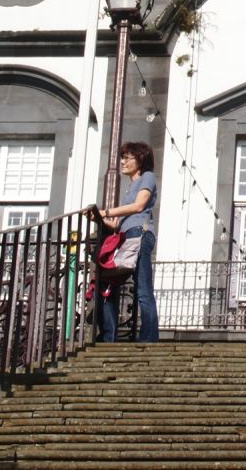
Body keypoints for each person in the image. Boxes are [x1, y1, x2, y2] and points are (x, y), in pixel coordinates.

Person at [96, 141, 158, 343]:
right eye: (122, 157)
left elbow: (139, 206)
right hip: (125, 236)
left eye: (127, 158)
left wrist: (106, 212)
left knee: (143, 289)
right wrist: (96, 216)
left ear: (139, 160)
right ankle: (108, 336)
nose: (122, 161)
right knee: (107, 285)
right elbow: (115, 224)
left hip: (139, 234)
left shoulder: (147, 177)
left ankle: (149, 338)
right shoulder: (129, 189)